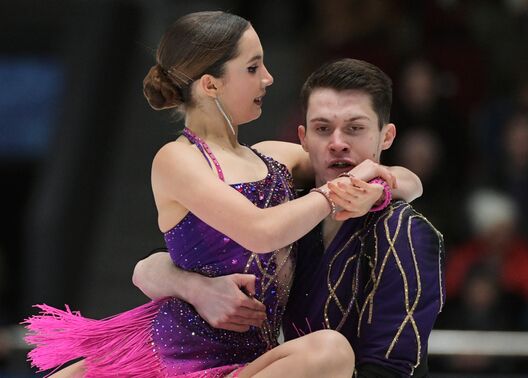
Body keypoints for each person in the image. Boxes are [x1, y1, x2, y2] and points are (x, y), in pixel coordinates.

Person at [22, 12, 420, 378]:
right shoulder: (178, 160)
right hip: (169, 357)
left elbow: (408, 180)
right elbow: (261, 231)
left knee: (330, 352)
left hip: (243, 364)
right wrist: (335, 194)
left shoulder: (275, 156)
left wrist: (377, 187)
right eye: (252, 67)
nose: (268, 78)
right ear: (211, 85)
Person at [135, 59, 444, 377]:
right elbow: (150, 267)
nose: (338, 143)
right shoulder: (286, 208)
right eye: (323, 129)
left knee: (329, 352)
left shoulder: (404, 231)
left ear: (386, 137)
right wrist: (193, 286)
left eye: (355, 128)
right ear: (304, 139)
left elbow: (393, 369)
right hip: (214, 362)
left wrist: (380, 188)